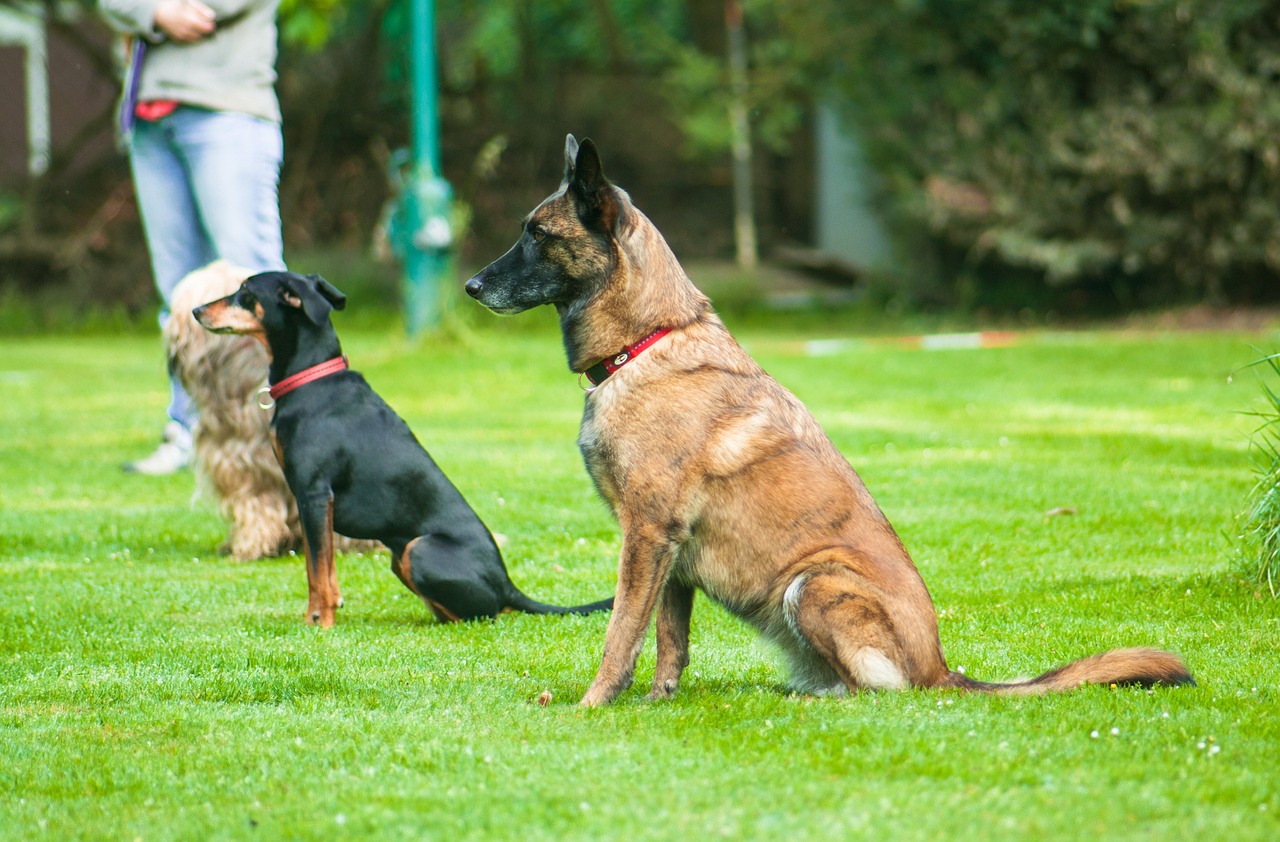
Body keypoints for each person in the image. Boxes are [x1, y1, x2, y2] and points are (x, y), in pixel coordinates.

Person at [100, 0, 286, 474]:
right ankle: (188, 430)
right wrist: (155, 12)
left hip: (227, 109)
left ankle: (286, 427)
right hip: (148, 115)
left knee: (256, 288)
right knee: (179, 297)